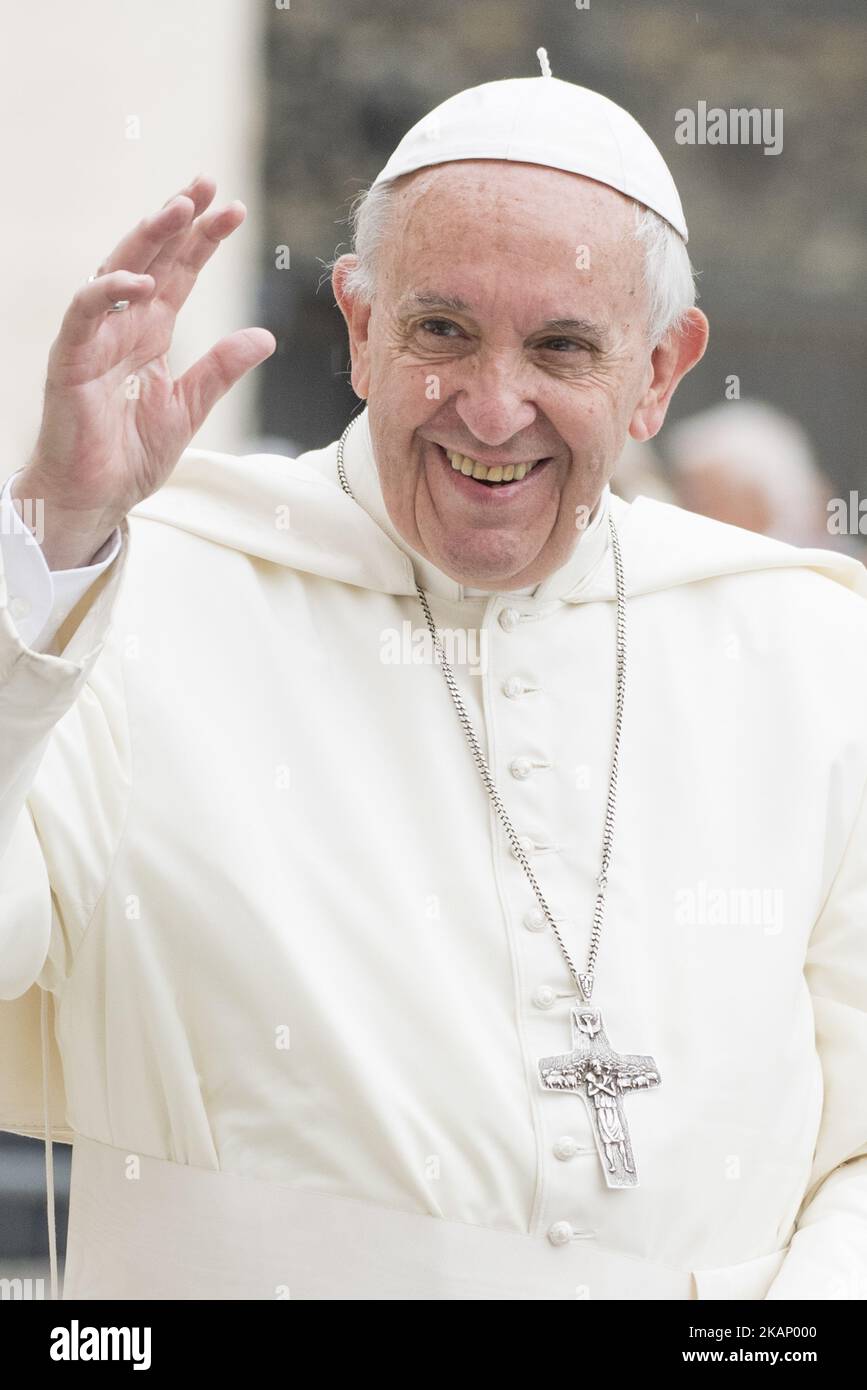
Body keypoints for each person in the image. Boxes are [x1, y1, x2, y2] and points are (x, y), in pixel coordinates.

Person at [1, 62, 866, 1302]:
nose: (492, 408)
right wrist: (51, 532)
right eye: (442, 331)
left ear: (664, 370)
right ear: (359, 324)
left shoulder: (806, 652)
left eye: (563, 346)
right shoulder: (135, 591)